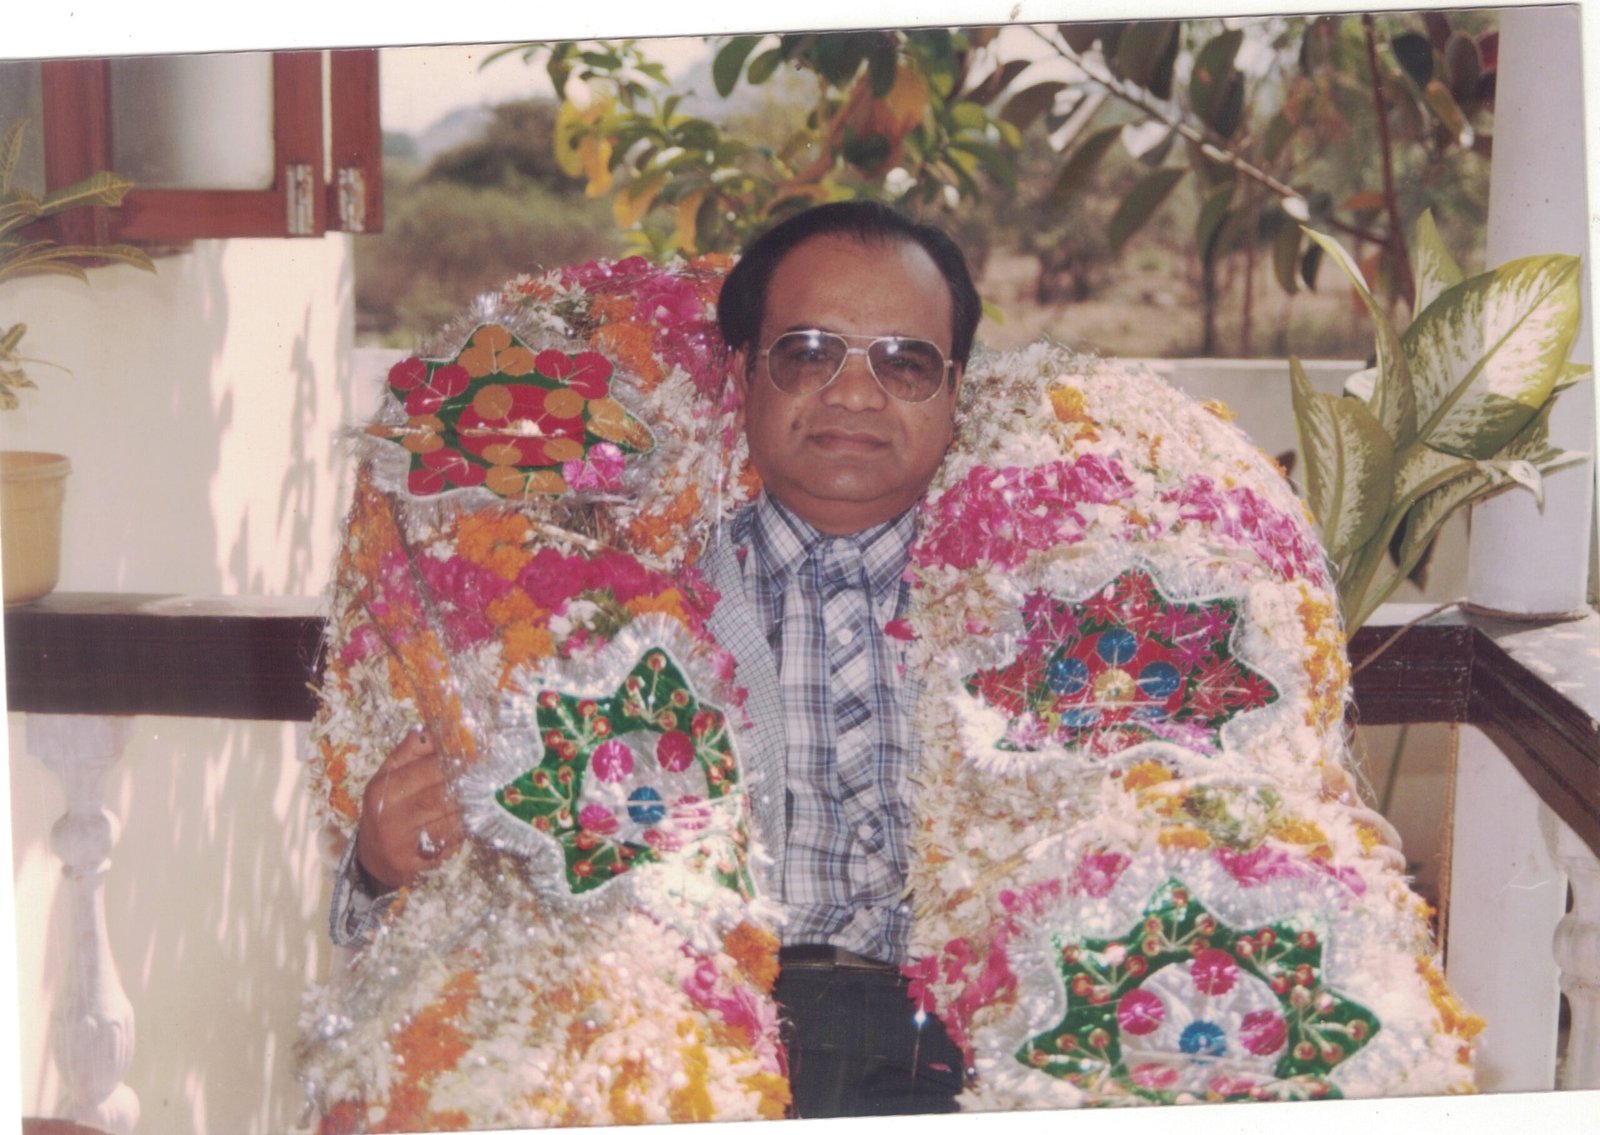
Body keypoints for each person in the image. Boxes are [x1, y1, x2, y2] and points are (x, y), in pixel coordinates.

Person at [331, 200, 983, 1118]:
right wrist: (374, 870)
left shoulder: (1031, 606)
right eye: (809, 353)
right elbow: (419, 893)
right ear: (742, 373)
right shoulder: (596, 608)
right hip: (675, 1042)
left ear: (954, 391)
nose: (853, 393)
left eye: (903, 362)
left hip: (967, 1054)